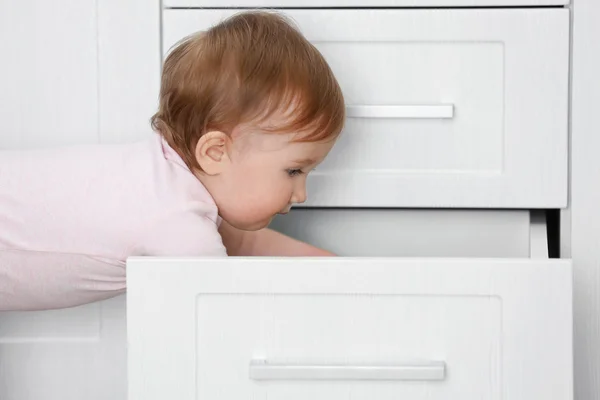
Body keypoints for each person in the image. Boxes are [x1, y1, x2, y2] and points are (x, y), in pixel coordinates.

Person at [0, 11, 345, 311]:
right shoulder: (179, 225)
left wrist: (338, 269)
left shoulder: (169, 181)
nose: (301, 193)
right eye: (294, 171)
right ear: (215, 152)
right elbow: (224, 317)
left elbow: (242, 242)